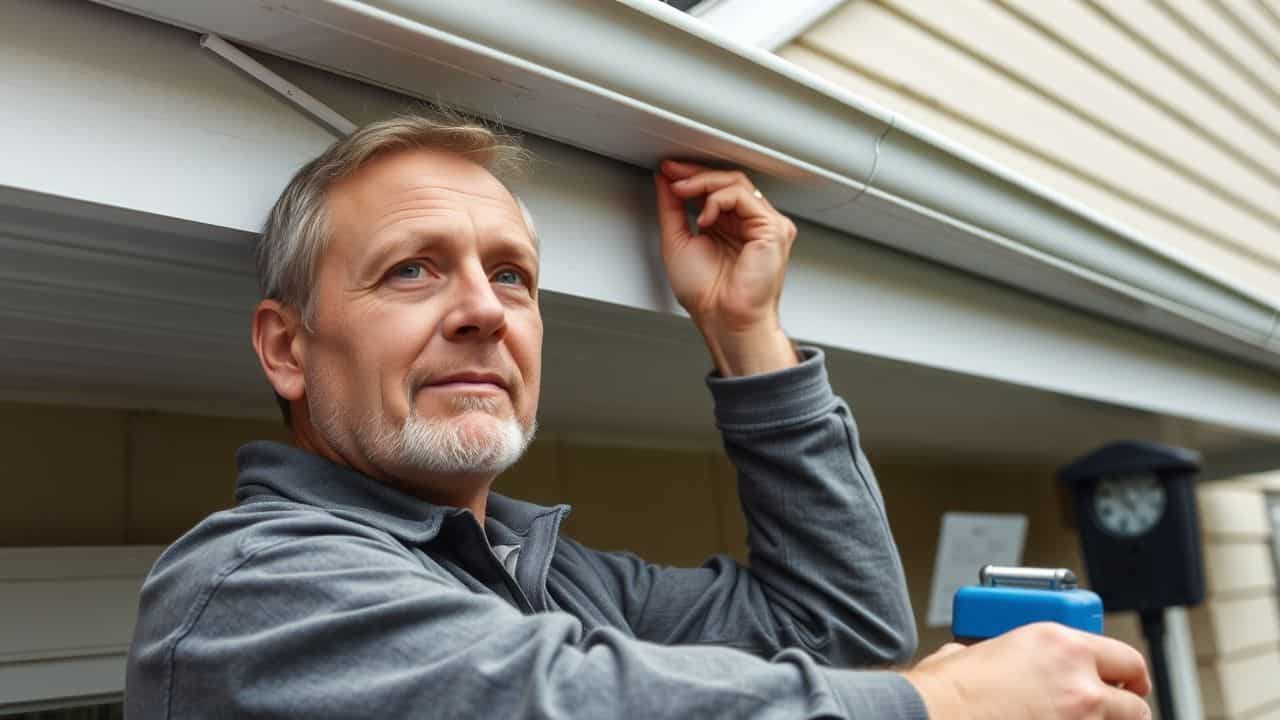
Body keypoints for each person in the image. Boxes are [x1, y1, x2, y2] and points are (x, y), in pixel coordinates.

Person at [125, 110, 1152, 719]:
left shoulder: (560, 578)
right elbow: (556, 703)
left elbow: (841, 631)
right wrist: (953, 703)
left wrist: (743, 329)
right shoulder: (246, 589)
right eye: (412, 270)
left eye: (514, 278)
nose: (485, 310)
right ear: (286, 349)